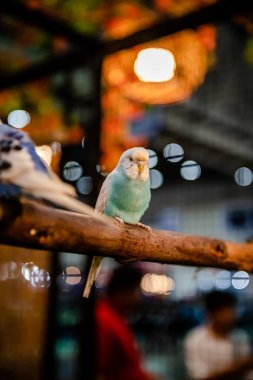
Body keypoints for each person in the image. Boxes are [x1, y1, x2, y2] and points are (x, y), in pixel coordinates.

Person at [95, 264, 158, 380]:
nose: (137, 297)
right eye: (136, 291)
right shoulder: (105, 320)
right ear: (121, 291)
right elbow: (99, 370)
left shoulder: (114, 317)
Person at [184, 290, 253, 380]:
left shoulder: (240, 336)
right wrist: (239, 367)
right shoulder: (196, 339)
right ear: (212, 313)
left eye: (232, 310)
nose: (231, 316)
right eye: (225, 311)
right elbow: (200, 376)